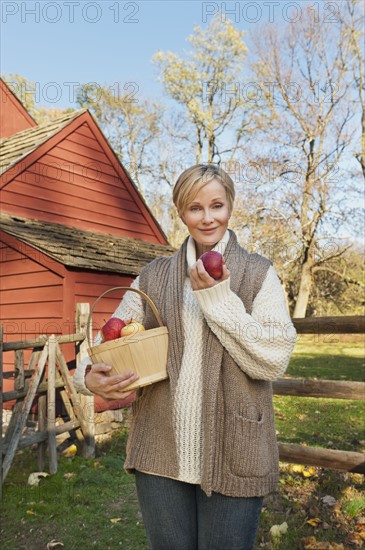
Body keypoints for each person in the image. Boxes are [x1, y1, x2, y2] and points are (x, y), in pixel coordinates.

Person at [73, 164, 296, 550]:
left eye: (217, 205)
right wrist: (87, 375)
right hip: (160, 450)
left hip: (237, 447)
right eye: (195, 208)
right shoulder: (154, 277)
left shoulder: (259, 273)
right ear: (180, 212)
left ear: (230, 206)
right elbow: (102, 340)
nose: (208, 218)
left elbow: (273, 359)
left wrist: (217, 300)